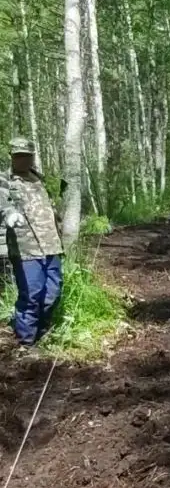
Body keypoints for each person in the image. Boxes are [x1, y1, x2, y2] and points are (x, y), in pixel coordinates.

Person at [1, 137, 65, 352]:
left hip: (51, 245)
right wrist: (9, 213)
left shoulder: (39, 179)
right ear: (12, 157)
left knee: (53, 290)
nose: (23, 160)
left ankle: (42, 329)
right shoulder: (5, 180)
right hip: (26, 247)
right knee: (31, 294)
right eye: (18, 156)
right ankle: (26, 343)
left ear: (32, 156)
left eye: (26, 156)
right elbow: (2, 201)